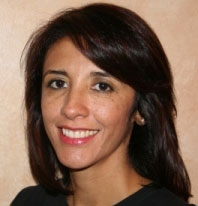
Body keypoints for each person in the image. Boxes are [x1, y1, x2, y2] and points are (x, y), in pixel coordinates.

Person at [11, 3, 195, 206]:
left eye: (102, 86)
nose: (71, 108)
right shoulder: (28, 201)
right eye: (58, 83)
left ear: (141, 109)